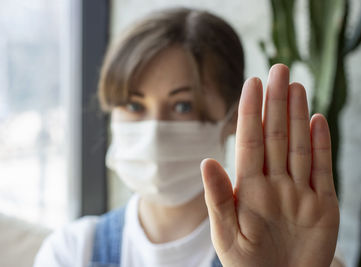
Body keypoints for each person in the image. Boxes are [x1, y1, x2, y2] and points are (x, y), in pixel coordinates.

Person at [34, 7, 344, 267]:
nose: (154, 129)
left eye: (183, 106)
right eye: (133, 104)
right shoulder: (71, 252)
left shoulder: (301, 255)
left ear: (234, 117)